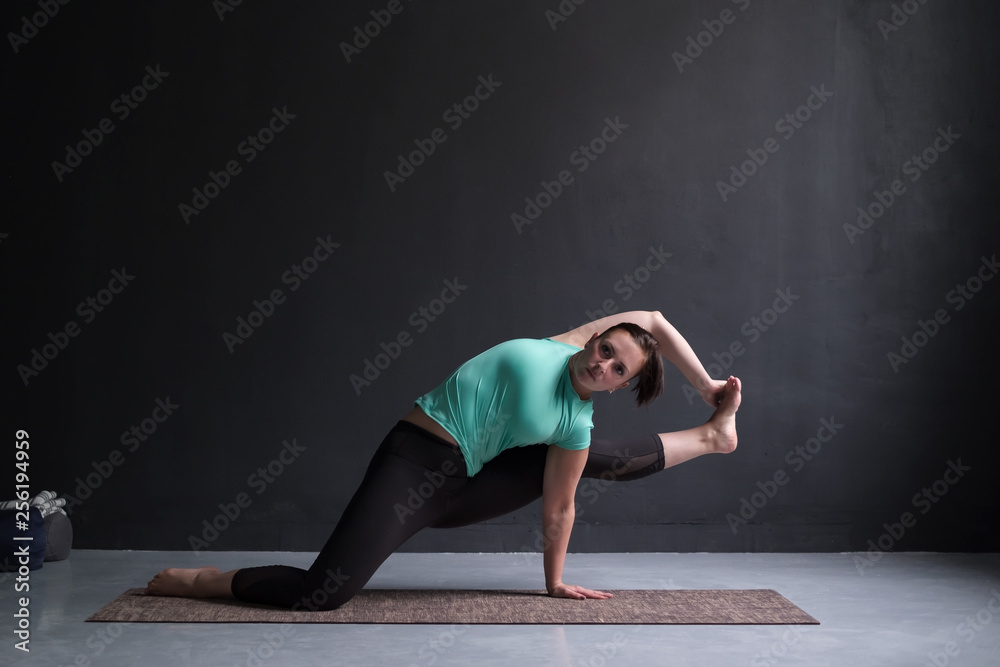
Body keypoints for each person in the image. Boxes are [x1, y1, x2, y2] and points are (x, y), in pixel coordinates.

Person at [146, 310, 741, 609]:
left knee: (585, 459)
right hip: (415, 461)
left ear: (619, 387)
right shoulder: (556, 348)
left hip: (469, 486)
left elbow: (560, 509)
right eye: (606, 350)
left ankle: (714, 439)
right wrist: (709, 382)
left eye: (619, 371)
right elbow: (657, 320)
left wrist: (554, 582)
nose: (603, 366)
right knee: (323, 594)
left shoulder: (575, 421)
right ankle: (203, 581)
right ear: (592, 338)